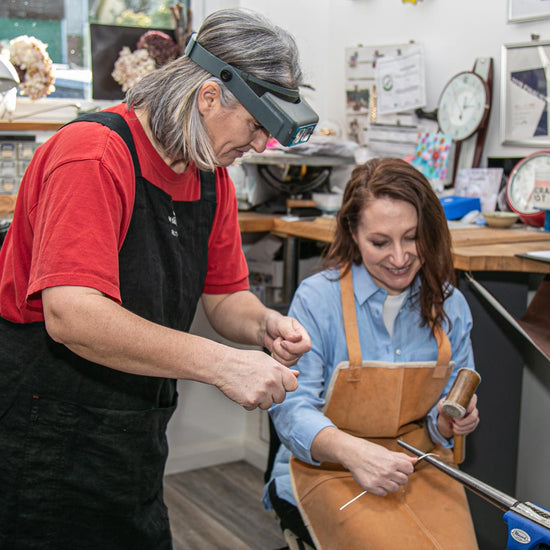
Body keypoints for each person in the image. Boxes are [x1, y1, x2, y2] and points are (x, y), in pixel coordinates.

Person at [0, 8, 315, 550]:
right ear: (209, 98)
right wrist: (221, 364)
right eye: (256, 126)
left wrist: (263, 325)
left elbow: (224, 296)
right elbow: (72, 314)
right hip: (42, 428)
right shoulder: (93, 155)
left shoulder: (208, 176)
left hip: (135, 435)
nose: (262, 146)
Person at [264, 157, 481, 550]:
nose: (399, 258)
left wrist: (449, 424)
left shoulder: (452, 306)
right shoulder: (319, 299)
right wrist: (354, 453)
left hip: (418, 468)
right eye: (380, 242)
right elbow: (291, 411)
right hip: (329, 469)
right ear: (353, 232)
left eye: (413, 237)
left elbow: (439, 422)